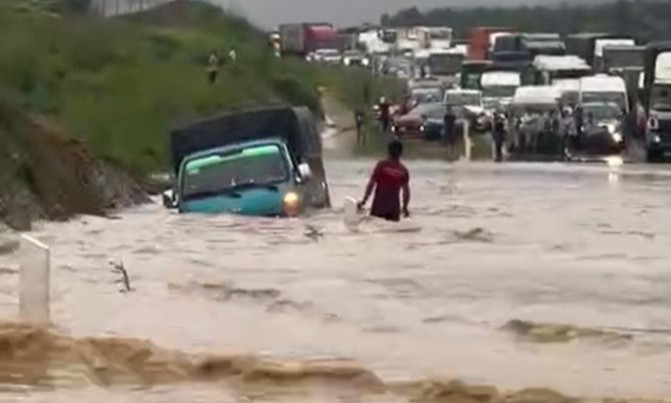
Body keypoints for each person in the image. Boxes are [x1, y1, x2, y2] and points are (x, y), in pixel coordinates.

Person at [358, 140, 410, 222]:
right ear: (401, 153)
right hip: (394, 208)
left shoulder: (382, 165)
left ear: (388, 151)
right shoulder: (403, 170)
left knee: (375, 229)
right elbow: (406, 192)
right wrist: (405, 207)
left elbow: (371, 184)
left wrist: (364, 201)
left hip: (379, 206)